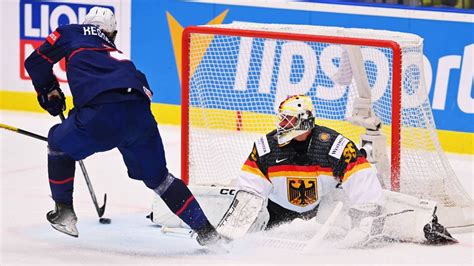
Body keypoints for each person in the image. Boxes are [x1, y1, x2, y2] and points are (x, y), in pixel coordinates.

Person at [24, 6, 220, 245]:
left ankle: (64, 212)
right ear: (112, 34)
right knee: (161, 180)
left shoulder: (70, 32)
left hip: (101, 115)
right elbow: (143, 90)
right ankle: (208, 233)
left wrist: (48, 91)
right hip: (140, 117)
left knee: (58, 143)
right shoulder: (119, 57)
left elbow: (35, 63)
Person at [215, 95, 456, 246]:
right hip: (277, 209)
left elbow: (362, 178)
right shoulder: (267, 146)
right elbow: (249, 190)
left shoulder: (334, 146)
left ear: (304, 121)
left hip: (324, 208)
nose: (281, 125)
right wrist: (232, 229)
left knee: (344, 209)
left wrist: (366, 218)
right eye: (282, 120)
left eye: (288, 120)